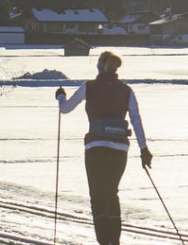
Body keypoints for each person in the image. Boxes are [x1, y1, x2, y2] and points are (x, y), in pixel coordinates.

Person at [57, 50, 152, 245]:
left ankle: (104, 241)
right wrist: (144, 149)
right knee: (111, 192)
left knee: (98, 195)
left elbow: (65, 109)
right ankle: (114, 241)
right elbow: (136, 119)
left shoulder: (89, 87)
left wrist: (60, 96)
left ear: (99, 67)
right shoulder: (126, 90)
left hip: (95, 147)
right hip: (120, 150)